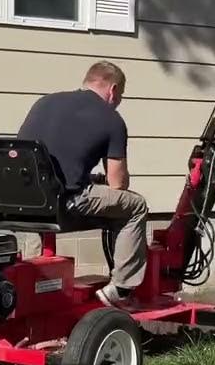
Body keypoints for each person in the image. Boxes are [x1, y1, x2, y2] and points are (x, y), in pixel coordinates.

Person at [16, 61, 148, 307]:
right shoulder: (112, 119)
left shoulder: (44, 102)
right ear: (113, 89)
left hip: (23, 199)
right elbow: (117, 184)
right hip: (66, 202)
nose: (119, 101)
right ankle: (121, 289)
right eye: (121, 96)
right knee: (135, 206)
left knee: (39, 203)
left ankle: (34, 287)